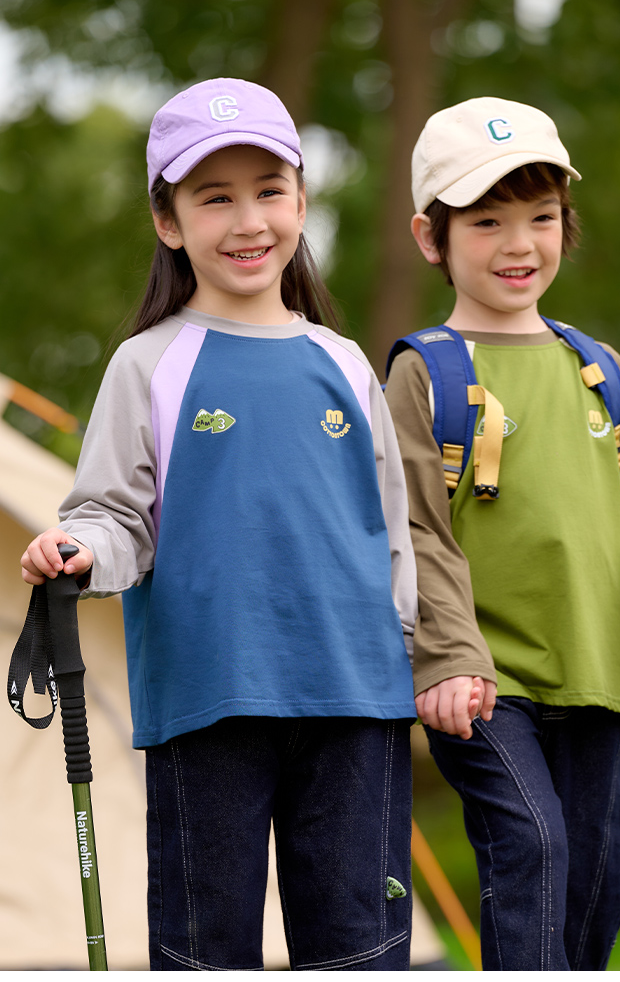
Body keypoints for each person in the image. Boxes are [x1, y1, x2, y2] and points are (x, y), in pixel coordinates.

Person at [20, 78, 420, 972]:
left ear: (301, 203)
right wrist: (81, 551)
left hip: (356, 701)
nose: (248, 221)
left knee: (359, 952)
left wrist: (418, 661)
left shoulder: (345, 363)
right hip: (207, 699)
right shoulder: (148, 364)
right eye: (214, 198)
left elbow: (394, 534)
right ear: (169, 222)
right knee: (207, 951)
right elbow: (114, 516)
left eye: (269, 191)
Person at [384, 96, 620, 971]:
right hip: (482, 683)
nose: (519, 243)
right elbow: (413, 527)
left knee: (592, 887)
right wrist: (448, 658)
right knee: (532, 846)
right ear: (431, 237)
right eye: (487, 221)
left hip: (598, 676)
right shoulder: (424, 372)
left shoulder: (601, 371)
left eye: (541, 217)